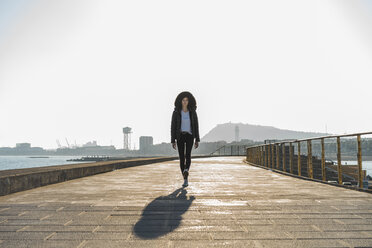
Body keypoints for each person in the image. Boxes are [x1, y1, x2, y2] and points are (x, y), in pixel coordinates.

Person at [171, 91, 200, 187]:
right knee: (181, 157)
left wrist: (197, 139)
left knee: (188, 155)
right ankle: (185, 179)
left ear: (189, 101)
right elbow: (173, 126)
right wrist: (173, 140)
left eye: (186, 100)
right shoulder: (176, 113)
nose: (185, 102)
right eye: (183, 100)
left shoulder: (192, 112)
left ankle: (186, 170)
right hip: (180, 136)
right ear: (180, 101)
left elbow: (196, 125)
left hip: (190, 136)